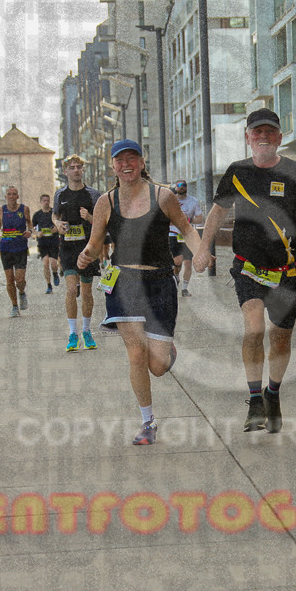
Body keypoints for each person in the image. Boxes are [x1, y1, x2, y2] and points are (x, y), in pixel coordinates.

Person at [194, 109, 296, 434]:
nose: (263, 137)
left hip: (287, 271)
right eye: (257, 132)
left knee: (280, 338)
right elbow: (217, 212)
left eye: (269, 132)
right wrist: (202, 247)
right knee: (253, 330)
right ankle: (254, 400)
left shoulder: (295, 172)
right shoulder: (237, 172)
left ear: (280, 137)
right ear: (247, 137)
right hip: (249, 268)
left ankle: (273, 393)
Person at [78, 140, 203, 445]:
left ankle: (166, 352)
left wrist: (199, 253)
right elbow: (96, 243)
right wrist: (87, 254)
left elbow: (186, 229)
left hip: (160, 281)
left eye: (132, 158)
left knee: (157, 366)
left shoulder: (164, 196)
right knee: (136, 354)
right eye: (120, 160)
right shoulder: (105, 202)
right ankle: (147, 422)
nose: (126, 164)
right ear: (113, 167)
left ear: (142, 162)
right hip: (123, 282)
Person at [53, 154, 102, 351]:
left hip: (88, 248)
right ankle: (73, 333)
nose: (76, 170)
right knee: (72, 290)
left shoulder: (93, 195)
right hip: (67, 249)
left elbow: (101, 222)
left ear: (83, 170)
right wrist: (57, 224)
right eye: (72, 167)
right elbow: (55, 215)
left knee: (87, 291)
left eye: (79, 167)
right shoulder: (60, 194)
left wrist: (90, 217)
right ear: (65, 172)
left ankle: (87, 331)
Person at [0, 185, 33, 317]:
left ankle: (22, 292)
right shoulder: (0, 210)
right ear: (5, 197)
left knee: (20, 279)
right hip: (5, 249)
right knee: (9, 280)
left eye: (14, 194)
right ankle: (14, 306)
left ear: (17, 196)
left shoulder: (24, 209)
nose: (11, 196)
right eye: (9, 194)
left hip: (20, 248)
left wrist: (29, 231)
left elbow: (30, 223)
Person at [168, 179, 203, 297]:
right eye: (179, 185)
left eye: (183, 185)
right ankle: (176, 277)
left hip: (188, 235)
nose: (181, 187)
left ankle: (184, 289)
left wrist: (188, 220)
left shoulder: (193, 201)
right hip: (173, 235)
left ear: (187, 187)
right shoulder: (171, 201)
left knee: (188, 263)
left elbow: (200, 218)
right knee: (177, 262)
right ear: (176, 188)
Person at [32, 193, 61, 294]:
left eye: (47, 200)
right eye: (44, 200)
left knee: (53, 263)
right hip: (42, 242)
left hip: (53, 242)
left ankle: (55, 273)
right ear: (40, 202)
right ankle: (49, 285)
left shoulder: (54, 213)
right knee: (45, 263)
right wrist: (37, 233)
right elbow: (31, 228)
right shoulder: (37, 215)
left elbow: (60, 224)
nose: (46, 202)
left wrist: (56, 229)